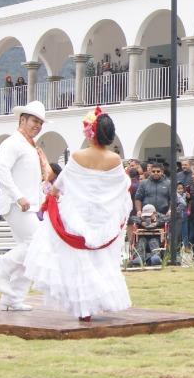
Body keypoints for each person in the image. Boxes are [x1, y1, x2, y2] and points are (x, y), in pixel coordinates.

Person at [23, 108, 131, 321]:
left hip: (78, 215)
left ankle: (84, 307)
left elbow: (60, 185)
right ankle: (101, 299)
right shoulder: (115, 160)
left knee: (79, 260)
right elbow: (124, 185)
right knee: (101, 260)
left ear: (91, 133)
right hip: (103, 218)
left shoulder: (78, 156)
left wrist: (50, 195)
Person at [0, 100, 53, 311]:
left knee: (31, 252)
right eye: (34, 121)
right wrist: (18, 196)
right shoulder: (12, 143)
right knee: (36, 244)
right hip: (16, 205)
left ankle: (13, 298)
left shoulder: (30, 146)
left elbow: (33, 178)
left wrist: (42, 200)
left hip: (29, 205)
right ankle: (2, 271)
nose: (37, 125)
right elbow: (1, 172)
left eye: (40, 122)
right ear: (22, 119)